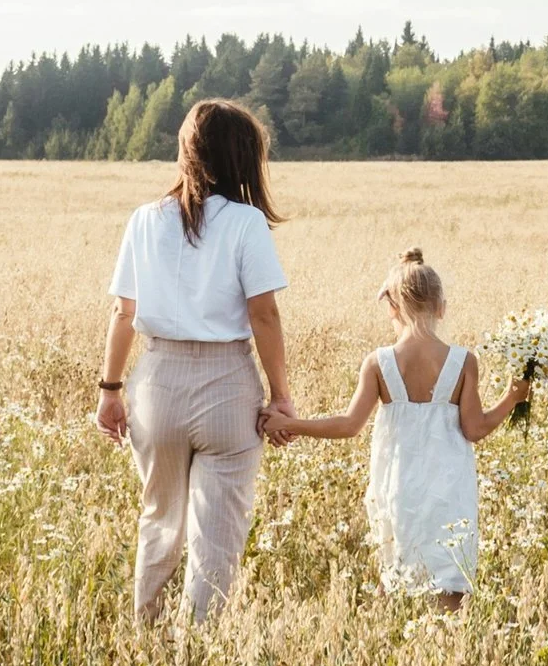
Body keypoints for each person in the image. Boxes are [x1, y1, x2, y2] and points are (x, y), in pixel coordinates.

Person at [96, 100, 299, 621]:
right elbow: (265, 317)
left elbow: (124, 313)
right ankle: (198, 654)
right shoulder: (245, 223)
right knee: (218, 536)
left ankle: (147, 639)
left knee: (160, 518)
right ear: (244, 158)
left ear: (187, 152)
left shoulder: (144, 220)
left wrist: (110, 390)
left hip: (156, 381)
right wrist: (281, 396)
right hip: (227, 382)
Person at [270, 249, 525, 610]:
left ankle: (395, 639)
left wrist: (290, 423)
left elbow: (348, 425)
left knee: (396, 566)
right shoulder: (464, 361)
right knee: (449, 574)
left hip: (398, 482)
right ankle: (449, 649)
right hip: (449, 487)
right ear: (442, 307)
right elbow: (475, 428)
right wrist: (512, 398)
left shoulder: (379, 362)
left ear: (392, 308)